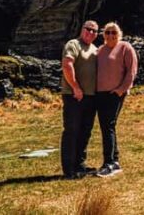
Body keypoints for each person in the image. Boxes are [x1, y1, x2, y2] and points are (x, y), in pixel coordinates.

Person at [95, 22, 138, 177]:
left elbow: (131, 71)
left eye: (114, 32)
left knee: (108, 126)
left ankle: (108, 163)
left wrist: (120, 90)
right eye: (107, 32)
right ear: (103, 35)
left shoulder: (125, 47)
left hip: (115, 94)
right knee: (107, 127)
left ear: (119, 33)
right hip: (100, 94)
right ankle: (115, 161)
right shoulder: (100, 50)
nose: (111, 35)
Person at [60, 20, 99, 179]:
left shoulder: (95, 49)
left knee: (85, 131)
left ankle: (80, 165)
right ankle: (69, 170)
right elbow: (67, 65)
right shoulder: (73, 44)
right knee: (72, 131)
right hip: (74, 96)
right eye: (88, 29)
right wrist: (76, 87)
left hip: (90, 97)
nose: (90, 33)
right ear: (82, 29)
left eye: (94, 31)